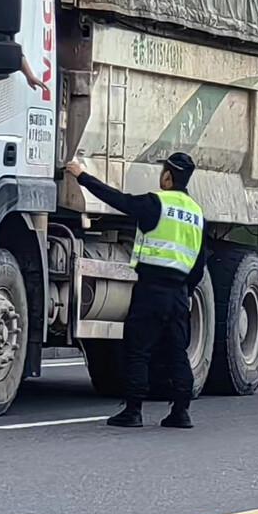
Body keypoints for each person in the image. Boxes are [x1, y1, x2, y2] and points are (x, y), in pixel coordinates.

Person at [65, 152, 206, 429]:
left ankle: (133, 411)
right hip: (178, 293)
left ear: (167, 176)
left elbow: (118, 200)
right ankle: (181, 412)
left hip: (151, 290)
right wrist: (185, 293)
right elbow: (199, 264)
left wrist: (81, 176)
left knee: (138, 351)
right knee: (178, 352)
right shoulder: (196, 214)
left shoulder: (156, 203)